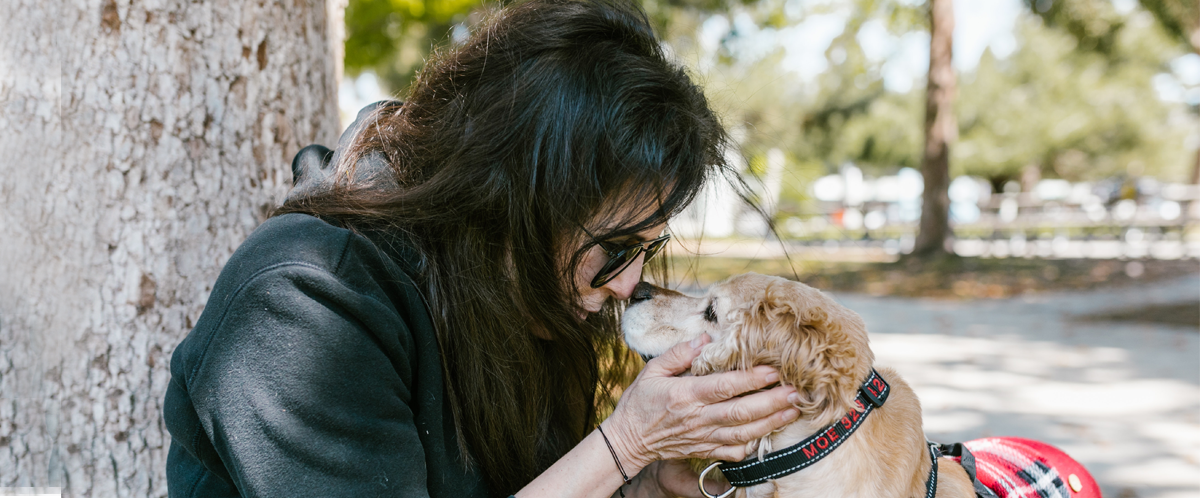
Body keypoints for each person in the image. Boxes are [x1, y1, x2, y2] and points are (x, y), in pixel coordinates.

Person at [162, 0, 800, 496]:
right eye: (615, 247)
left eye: (647, 250)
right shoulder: (303, 306)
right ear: (511, 202)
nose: (629, 285)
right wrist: (624, 443)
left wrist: (639, 487)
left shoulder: (523, 294)